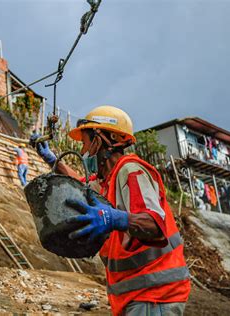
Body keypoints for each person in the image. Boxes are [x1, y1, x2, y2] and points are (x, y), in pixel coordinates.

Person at [31, 105, 190, 315]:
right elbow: (80, 185)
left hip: (155, 293)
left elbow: (154, 224)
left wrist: (115, 218)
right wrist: (53, 160)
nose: (82, 151)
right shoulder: (108, 180)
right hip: (134, 294)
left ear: (100, 140)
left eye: (85, 142)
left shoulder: (131, 171)